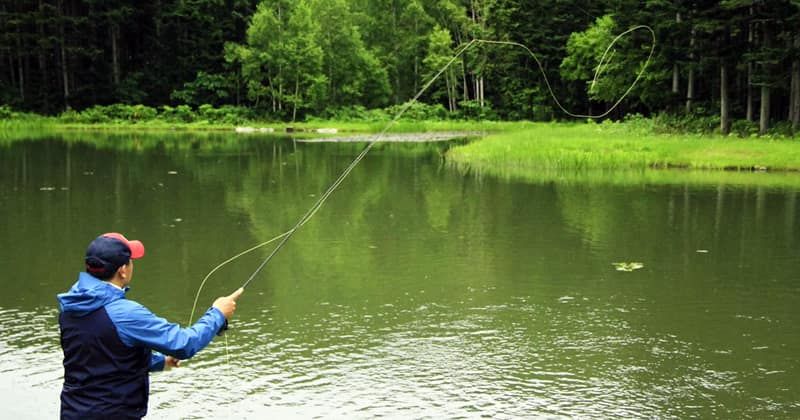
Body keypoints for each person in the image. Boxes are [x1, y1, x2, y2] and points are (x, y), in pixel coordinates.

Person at [57, 232, 243, 419]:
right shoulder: (125, 314)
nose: (132, 265)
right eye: (130, 261)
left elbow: (102, 355)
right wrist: (218, 313)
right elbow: (184, 344)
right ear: (122, 270)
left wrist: (160, 362)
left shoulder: (71, 305)